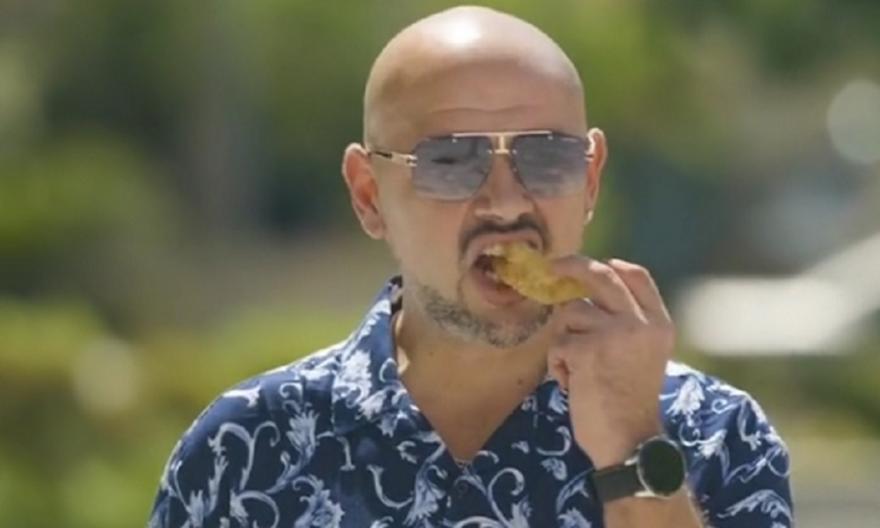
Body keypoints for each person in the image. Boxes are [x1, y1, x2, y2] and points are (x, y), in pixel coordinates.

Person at [148, 6, 793, 527]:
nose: (506, 202)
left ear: (591, 179)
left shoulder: (714, 436)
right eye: (451, 162)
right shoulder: (247, 448)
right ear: (369, 195)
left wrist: (632, 451)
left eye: (547, 158)